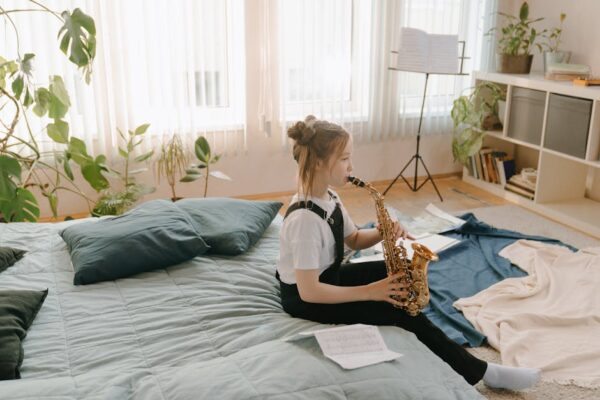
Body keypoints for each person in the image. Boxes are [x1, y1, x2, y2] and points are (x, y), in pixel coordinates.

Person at [276, 115, 541, 390]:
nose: (351, 166)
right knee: (395, 309)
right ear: (319, 163)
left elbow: (354, 239)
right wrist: (371, 292)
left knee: (398, 274)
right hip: (306, 298)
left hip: (326, 277)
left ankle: (424, 325)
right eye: (344, 158)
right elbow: (309, 292)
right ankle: (484, 372)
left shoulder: (329, 197)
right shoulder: (305, 221)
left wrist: (383, 232)